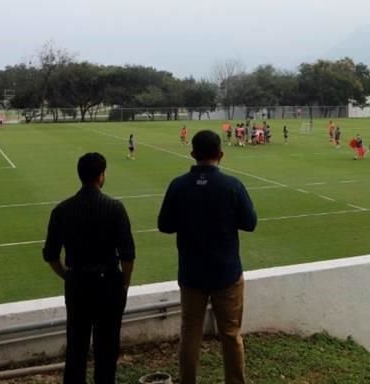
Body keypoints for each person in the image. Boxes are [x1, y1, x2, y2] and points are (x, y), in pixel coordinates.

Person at [158, 130, 258, 384]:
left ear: (192, 154)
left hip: (191, 272)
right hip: (226, 273)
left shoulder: (178, 185)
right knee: (231, 334)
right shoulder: (232, 185)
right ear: (220, 154)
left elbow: (165, 225)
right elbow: (250, 223)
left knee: (190, 332)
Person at [43, 153, 135, 384]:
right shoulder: (115, 208)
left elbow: (51, 255)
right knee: (107, 348)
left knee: (76, 346)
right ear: (101, 176)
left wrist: (68, 276)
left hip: (78, 285)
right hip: (108, 284)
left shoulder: (62, 210)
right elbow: (128, 254)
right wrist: (124, 281)